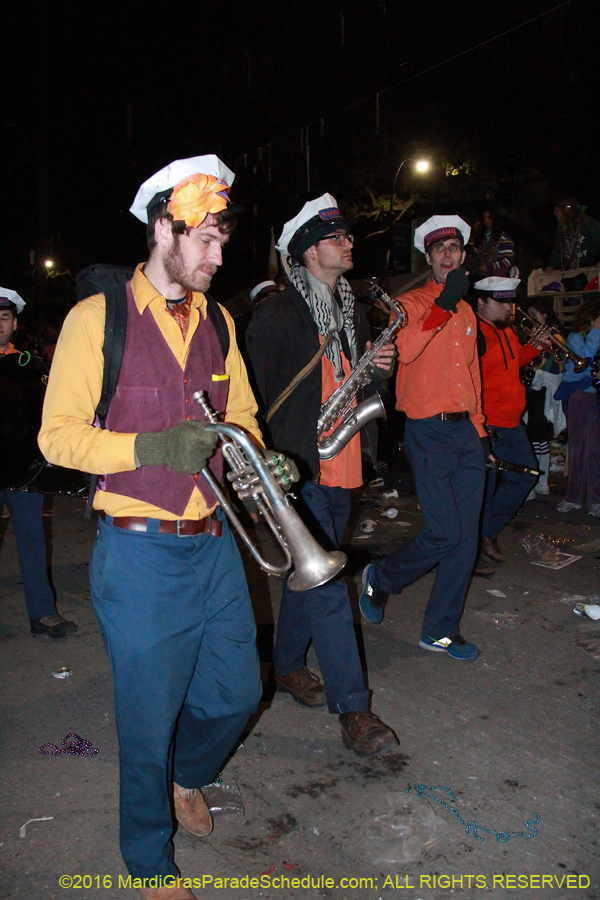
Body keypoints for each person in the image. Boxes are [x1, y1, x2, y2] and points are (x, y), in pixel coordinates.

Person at [39, 156, 267, 900]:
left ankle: (189, 777)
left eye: (224, 240)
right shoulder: (94, 320)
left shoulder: (220, 319)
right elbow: (58, 437)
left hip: (214, 544)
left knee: (236, 694)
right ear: (163, 228)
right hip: (137, 555)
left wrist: (262, 461)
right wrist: (146, 449)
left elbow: (241, 416)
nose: (218, 255)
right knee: (147, 721)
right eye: (205, 238)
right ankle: (147, 860)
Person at [246, 193, 399, 756]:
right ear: (309, 250)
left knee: (313, 572)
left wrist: (379, 375)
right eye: (338, 237)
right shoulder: (277, 314)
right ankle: (354, 709)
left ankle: (286, 665)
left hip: (346, 455)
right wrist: (268, 472)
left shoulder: (353, 309)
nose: (349, 243)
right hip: (297, 469)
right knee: (329, 583)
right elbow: (254, 401)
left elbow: (352, 385)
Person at [358, 216, 487, 661]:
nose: (447, 255)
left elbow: (472, 373)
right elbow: (405, 350)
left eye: (454, 247)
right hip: (428, 431)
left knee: (465, 539)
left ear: (463, 255)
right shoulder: (408, 303)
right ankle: (383, 578)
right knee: (445, 531)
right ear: (428, 258)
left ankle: (441, 630)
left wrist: (481, 428)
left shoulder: (469, 312)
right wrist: (444, 303)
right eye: (439, 250)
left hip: (466, 431)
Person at [0, 290, 77, 639]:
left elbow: (50, 413)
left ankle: (43, 614)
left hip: (23, 472)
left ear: (15, 324)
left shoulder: (31, 367)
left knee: (32, 542)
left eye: (4, 318)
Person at [471, 277, 541, 567]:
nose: (508, 308)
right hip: (488, 424)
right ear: (481, 302)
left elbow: (513, 362)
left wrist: (536, 347)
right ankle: (473, 547)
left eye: (509, 301)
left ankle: (486, 532)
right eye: (501, 302)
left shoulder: (506, 330)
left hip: (511, 423)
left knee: (526, 474)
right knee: (483, 488)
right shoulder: (474, 335)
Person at [555, 298, 600, 517]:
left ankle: (596, 498)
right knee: (579, 448)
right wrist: (596, 332)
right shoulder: (575, 337)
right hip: (581, 394)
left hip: (596, 395)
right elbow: (584, 360)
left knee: (596, 449)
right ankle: (573, 497)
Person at [523, 298, 566, 498]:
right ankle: (538, 481)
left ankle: (540, 481)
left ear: (545, 316)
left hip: (545, 391)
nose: (531, 321)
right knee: (535, 439)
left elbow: (557, 365)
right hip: (534, 391)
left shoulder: (554, 335)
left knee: (538, 437)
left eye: (535, 316)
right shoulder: (534, 336)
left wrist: (535, 355)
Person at [547, 198, 600, 271]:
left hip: (591, 267)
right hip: (573, 270)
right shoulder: (563, 228)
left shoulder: (588, 224)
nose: (554, 213)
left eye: (557, 210)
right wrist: (552, 266)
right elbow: (558, 248)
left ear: (566, 209)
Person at [471, 206, 516, 278]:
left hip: (498, 278)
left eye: (489, 218)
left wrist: (489, 267)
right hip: (485, 278)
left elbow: (508, 261)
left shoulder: (504, 238)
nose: (486, 221)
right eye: (484, 218)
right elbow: (479, 253)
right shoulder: (486, 237)